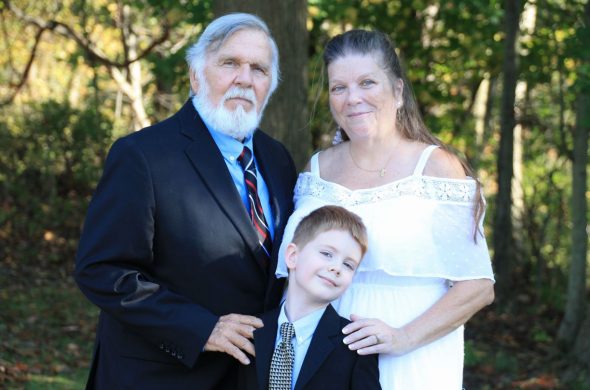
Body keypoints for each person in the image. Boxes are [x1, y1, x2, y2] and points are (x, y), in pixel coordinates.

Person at [74, 13, 297, 389]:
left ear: (269, 86)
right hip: (158, 375)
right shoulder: (143, 155)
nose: (244, 78)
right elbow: (101, 270)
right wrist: (201, 328)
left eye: (259, 69)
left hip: (247, 378)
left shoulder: (278, 160)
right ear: (196, 76)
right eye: (230, 63)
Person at [276, 30, 495, 389]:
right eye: (339, 87)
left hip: (411, 358)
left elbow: (478, 286)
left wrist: (402, 338)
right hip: (321, 357)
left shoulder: (436, 167)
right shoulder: (315, 170)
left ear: (397, 90)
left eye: (367, 82)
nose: (353, 98)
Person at [241, 205, 381, 390]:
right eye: (327, 254)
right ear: (292, 256)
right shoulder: (251, 331)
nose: (336, 267)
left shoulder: (354, 345)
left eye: (348, 265)